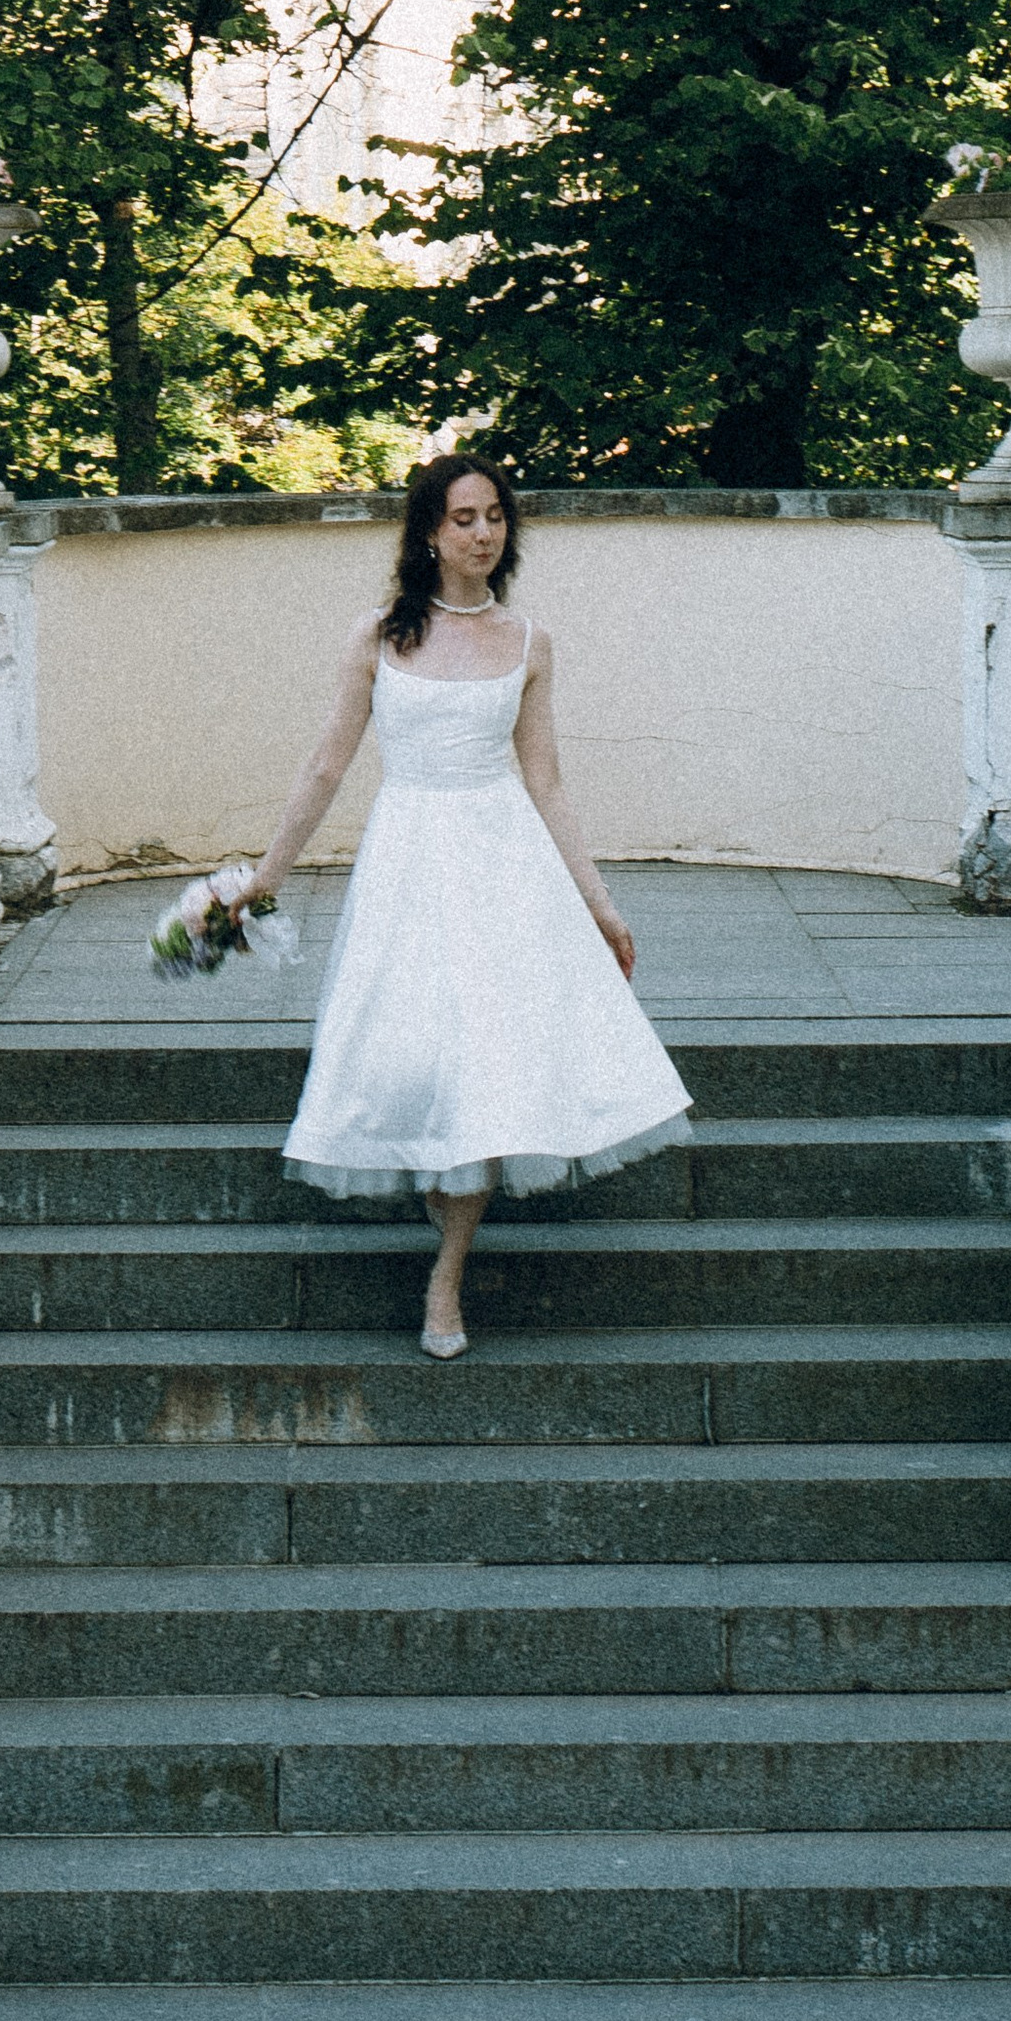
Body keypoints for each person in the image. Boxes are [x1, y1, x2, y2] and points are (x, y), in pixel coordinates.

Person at [235, 455, 693, 1359]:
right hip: (409, 861)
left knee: (490, 1059)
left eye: (494, 517)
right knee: (416, 1054)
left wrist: (598, 905)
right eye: (463, 519)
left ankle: (447, 1275)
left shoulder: (529, 643)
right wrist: (264, 879)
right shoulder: (377, 637)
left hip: (504, 868)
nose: (483, 535)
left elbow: (548, 780)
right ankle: (438, 1201)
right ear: (429, 534)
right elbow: (325, 767)